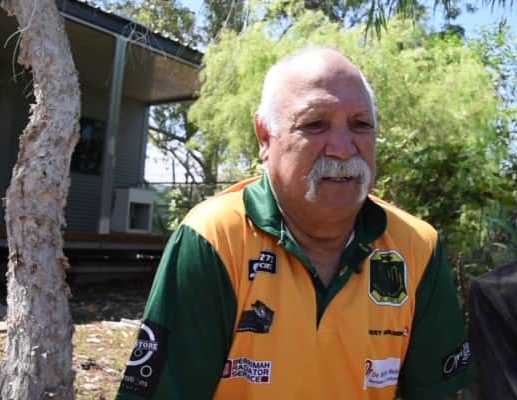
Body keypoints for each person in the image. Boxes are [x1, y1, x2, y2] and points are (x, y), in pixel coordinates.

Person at [115, 47, 474, 400]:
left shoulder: (417, 247)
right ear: (265, 136)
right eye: (315, 124)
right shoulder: (215, 240)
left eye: (361, 124)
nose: (343, 148)